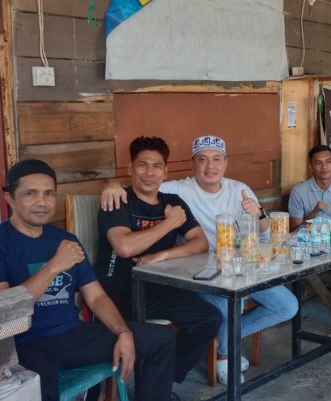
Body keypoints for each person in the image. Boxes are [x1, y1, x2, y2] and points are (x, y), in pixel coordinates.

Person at [0, 160, 199, 401]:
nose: (42, 201)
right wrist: (54, 266)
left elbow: (96, 295)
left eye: (48, 193)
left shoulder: (64, 239)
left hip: (74, 334)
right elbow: (3, 310)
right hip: (25, 344)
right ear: (10, 198)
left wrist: (123, 332)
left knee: (160, 339)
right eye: (31, 194)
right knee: (40, 395)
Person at [101, 134, 298, 385]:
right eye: (202, 159)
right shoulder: (177, 190)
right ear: (192, 164)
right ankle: (225, 355)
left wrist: (259, 215)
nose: (210, 166)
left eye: (217, 159)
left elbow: (267, 236)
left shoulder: (240, 190)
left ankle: (222, 342)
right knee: (226, 308)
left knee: (288, 306)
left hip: (243, 267)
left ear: (226, 163)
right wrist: (111, 184)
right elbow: (141, 185)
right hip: (202, 274)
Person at [93, 136, 221, 385]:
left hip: (158, 291)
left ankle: (166, 378)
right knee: (163, 336)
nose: (150, 173)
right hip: (117, 295)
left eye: (157, 166)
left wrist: (162, 254)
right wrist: (170, 224)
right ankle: (152, 380)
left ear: (166, 170)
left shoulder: (172, 202)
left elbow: (200, 243)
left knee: (210, 319)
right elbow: (124, 247)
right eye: (142, 165)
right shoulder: (117, 200)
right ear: (130, 168)